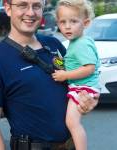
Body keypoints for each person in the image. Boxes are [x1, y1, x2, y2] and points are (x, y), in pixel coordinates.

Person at [0, 0, 99, 150]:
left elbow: (78, 84)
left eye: (37, 6)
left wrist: (88, 102)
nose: (31, 12)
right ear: (8, 8)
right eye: (22, 5)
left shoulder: (55, 45)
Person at [52, 0, 100, 150]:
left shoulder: (81, 44)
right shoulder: (75, 42)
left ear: (85, 23)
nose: (67, 26)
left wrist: (65, 75)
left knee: (72, 123)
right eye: (62, 22)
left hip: (83, 88)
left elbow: (89, 68)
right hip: (81, 87)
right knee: (72, 123)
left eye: (73, 21)